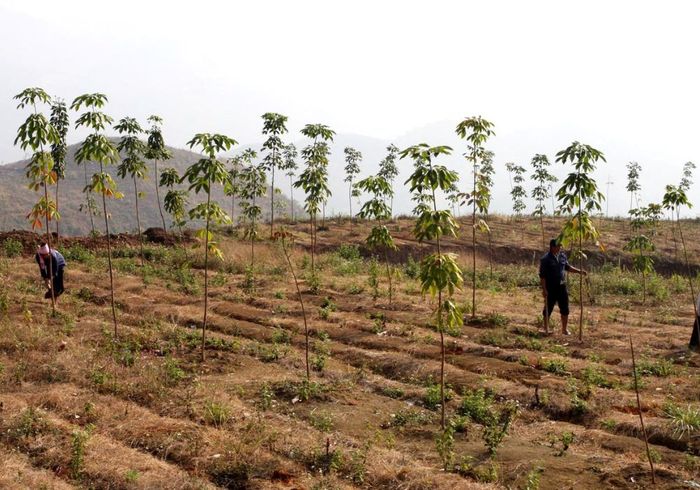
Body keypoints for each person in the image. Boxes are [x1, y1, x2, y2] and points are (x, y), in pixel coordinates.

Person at [539, 238, 587, 335]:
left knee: (565, 308)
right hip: (551, 287)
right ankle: (545, 328)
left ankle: (564, 329)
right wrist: (544, 290)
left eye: (560, 246)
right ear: (552, 247)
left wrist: (579, 271)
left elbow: (567, 267)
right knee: (548, 308)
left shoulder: (562, 256)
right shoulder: (545, 259)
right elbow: (542, 276)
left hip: (562, 287)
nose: (560, 248)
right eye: (558, 246)